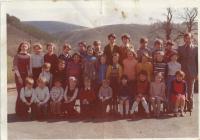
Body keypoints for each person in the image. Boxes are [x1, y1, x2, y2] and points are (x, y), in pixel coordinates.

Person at [178, 32, 198, 110]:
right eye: (186, 38)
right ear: (184, 39)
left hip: (192, 73)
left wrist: (197, 73)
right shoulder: (180, 48)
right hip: (182, 72)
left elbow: (197, 62)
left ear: (191, 39)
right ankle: (183, 106)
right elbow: (178, 60)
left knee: (190, 90)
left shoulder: (196, 48)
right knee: (183, 89)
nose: (188, 40)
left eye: (189, 38)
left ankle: (190, 106)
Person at [13, 41, 31, 116]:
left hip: (27, 76)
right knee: (20, 93)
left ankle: (25, 110)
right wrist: (19, 77)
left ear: (28, 47)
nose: (24, 47)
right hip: (19, 76)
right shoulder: (17, 55)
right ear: (20, 47)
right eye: (23, 46)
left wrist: (30, 76)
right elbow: (15, 67)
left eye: (25, 46)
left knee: (26, 92)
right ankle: (19, 111)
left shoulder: (29, 56)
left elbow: (29, 67)